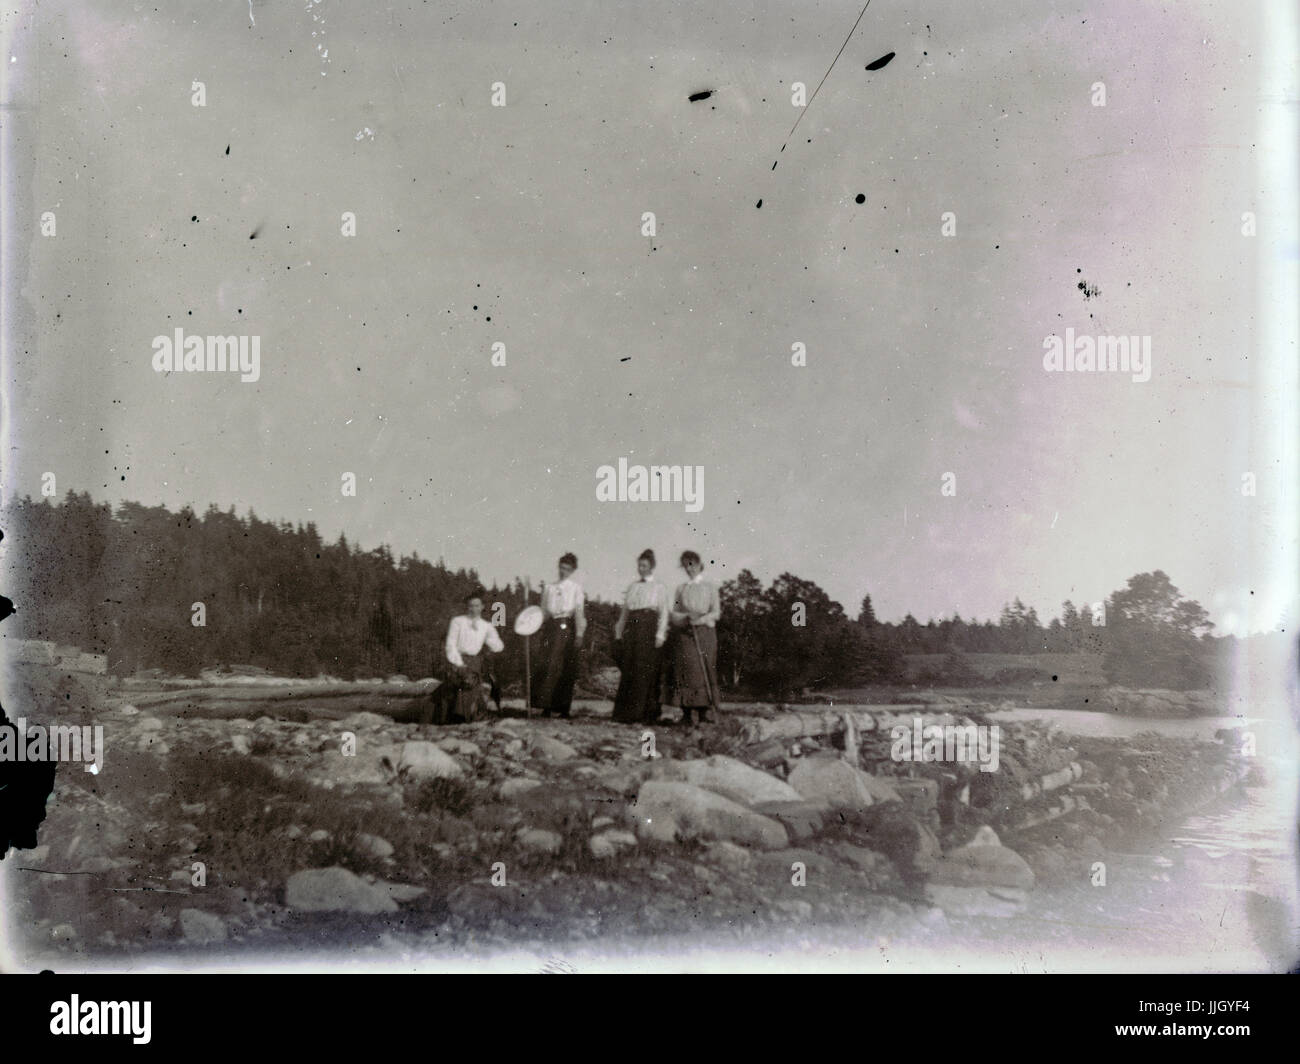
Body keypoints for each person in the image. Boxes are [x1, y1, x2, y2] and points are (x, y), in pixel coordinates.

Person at [425, 588, 504, 726]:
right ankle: (460, 717)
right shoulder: (458, 621)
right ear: (467, 607)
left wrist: (492, 640)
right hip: (457, 659)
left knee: (470, 681)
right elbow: (450, 645)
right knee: (462, 681)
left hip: (475, 661)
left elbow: (498, 646)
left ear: (482, 607)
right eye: (471, 606)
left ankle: (462, 716)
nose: (474, 609)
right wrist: (459, 664)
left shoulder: (486, 626)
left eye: (477, 606)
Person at [611, 549, 670, 724]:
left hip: (649, 628)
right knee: (630, 668)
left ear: (652, 567)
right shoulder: (633, 587)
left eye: (644, 565)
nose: (641, 568)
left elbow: (664, 613)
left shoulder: (659, 587)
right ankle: (625, 714)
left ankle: (645, 714)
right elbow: (625, 612)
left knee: (645, 670)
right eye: (639, 565)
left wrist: (660, 634)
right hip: (633, 629)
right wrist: (618, 633)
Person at [668, 551, 722, 726]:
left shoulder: (710, 587)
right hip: (685, 633)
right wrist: (683, 618)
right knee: (686, 671)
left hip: (705, 632)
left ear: (699, 565)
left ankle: (705, 712)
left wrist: (701, 619)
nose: (689, 569)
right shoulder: (681, 589)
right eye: (685, 565)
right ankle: (686, 712)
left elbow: (717, 612)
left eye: (691, 564)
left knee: (704, 669)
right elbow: (674, 612)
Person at [531, 552, 587, 718]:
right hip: (551, 627)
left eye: (568, 569)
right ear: (558, 567)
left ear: (572, 571)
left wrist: (579, 634)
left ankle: (563, 708)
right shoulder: (549, 587)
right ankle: (546, 706)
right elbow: (544, 611)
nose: (564, 572)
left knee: (564, 667)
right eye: (562, 568)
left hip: (567, 628)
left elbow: (578, 612)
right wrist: (531, 625)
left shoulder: (576, 588)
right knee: (548, 665)